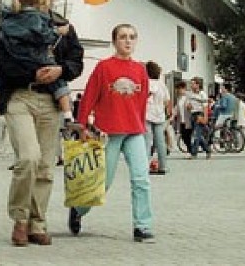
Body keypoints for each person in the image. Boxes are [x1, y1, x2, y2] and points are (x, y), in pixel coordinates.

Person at [0, 0, 83, 247]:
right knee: (28, 157)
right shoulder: (12, 22)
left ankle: (37, 223)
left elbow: (76, 61)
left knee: (45, 166)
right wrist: (33, 72)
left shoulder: (63, 26)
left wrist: (59, 70)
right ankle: (19, 219)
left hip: (51, 102)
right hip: (20, 96)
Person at [69, 23, 154, 243]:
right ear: (115, 41)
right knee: (103, 182)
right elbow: (89, 96)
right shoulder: (104, 68)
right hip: (109, 131)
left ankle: (142, 226)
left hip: (134, 130)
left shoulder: (140, 70)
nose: (128, 41)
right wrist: (82, 126)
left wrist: (142, 125)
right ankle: (79, 209)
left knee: (141, 179)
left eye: (132, 37)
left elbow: (142, 100)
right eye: (123, 37)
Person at [0, 0, 76, 127]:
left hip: (41, 97)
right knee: (59, 83)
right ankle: (68, 116)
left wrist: (63, 69)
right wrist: (57, 32)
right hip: (21, 92)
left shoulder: (8, 19)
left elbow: (75, 61)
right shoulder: (40, 20)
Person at [144, 61, 171, 175]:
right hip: (159, 115)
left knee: (147, 141)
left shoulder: (146, 83)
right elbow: (167, 100)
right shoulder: (162, 84)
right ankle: (162, 166)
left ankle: (144, 166)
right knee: (160, 141)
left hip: (147, 114)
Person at [186, 78, 211, 159]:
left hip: (200, 114)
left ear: (198, 85)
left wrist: (205, 118)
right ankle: (207, 149)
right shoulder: (189, 94)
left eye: (193, 84)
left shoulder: (202, 94)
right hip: (192, 114)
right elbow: (188, 105)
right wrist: (188, 107)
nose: (191, 85)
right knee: (198, 135)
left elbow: (205, 106)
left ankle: (194, 153)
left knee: (197, 135)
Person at [173, 81, 192, 153]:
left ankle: (191, 151)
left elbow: (192, 106)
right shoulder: (179, 98)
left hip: (188, 120)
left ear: (184, 88)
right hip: (181, 120)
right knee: (184, 136)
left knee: (187, 136)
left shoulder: (189, 96)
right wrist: (172, 116)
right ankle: (191, 149)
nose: (179, 91)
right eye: (178, 89)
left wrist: (190, 107)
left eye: (180, 89)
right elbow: (176, 108)